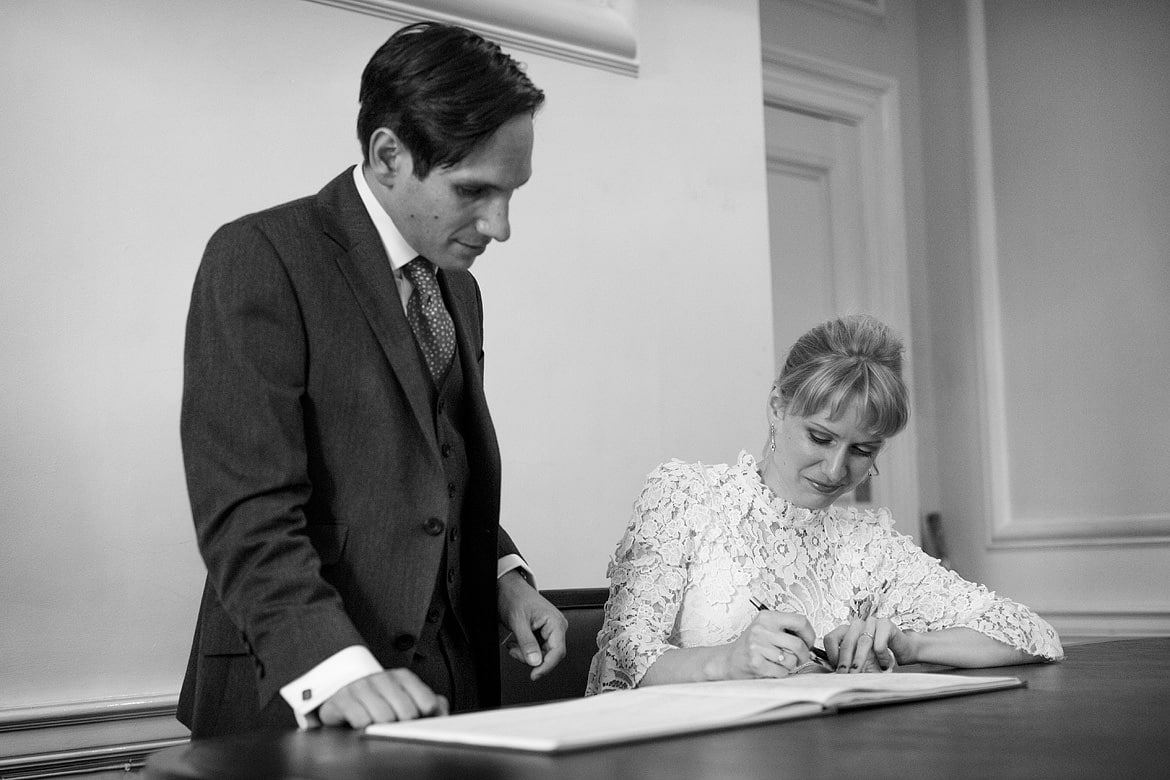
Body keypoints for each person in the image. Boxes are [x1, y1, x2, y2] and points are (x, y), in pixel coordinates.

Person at [178, 22, 567, 738]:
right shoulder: (261, 256)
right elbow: (246, 510)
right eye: (475, 190)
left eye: (513, 192)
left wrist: (501, 573)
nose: (501, 225)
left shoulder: (459, 287)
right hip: (297, 700)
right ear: (389, 154)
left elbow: (431, 460)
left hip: (455, 694)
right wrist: (335, 668)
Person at [586, 314, 1062, 694]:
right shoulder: (684, 496)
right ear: (777, 407)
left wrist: (909, 644)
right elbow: (622, 662)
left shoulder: (868, 542)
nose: (836, 471)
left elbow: (1034, 635)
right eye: (820, 437)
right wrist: (728, 660)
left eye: (862, 450)